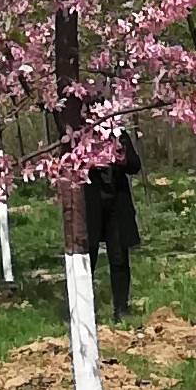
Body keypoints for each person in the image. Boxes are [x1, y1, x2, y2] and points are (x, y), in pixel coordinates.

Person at [83, 129, 144, 326]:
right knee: (87, 258)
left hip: (117, 205)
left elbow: (135, 165)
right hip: (91, 205)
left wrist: (123, 159)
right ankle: (83, 310)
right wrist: (89, 164)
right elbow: (69, 167)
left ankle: (121, 309)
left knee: (119, 258)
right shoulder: (82, 135)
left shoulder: (118, 133)